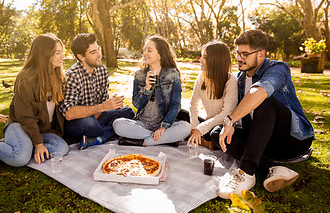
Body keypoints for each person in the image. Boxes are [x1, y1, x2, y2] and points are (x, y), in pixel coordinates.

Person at [210, 29, 314, 199]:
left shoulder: (278, 68)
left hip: (293, 140)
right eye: (238, 53)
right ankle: (271, 167)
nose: (239, 58)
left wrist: (230, 121)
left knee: (265, 99)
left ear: (261, 54)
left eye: (245, 54)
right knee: (217, 133)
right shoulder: (240, 78)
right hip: (265, 143)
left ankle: (247, 172)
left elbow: (259, 92)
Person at [0, 33, 69, 167]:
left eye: (62, 52)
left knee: (61, 149)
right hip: (20, 125)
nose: (63, 56)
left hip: (42, 130)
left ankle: (11, 148)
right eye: (58, 53)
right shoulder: (25, 78)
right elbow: (25, 116)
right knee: (20, 159)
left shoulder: (60, 77)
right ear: (44, 54)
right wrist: (39, 144)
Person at [59, 33, 134, 149]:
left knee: (128, 112)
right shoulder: (72, 76)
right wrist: (103, 107)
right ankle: (105, 134)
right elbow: (68, 114)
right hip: (77, 123)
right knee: (90, 124)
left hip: (97, 117)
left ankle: (98, 138)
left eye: (98, 49)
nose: (99, 55)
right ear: (81, 57)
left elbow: (103, 103)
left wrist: (111, 105)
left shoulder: (102, 70)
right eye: (93, 52)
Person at [112, 35, 191, 146]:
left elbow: (175, 105)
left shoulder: (172, 75)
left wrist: (164, 127)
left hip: (164, 124)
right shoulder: (140, 75)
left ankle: (145, 142)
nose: (145, 53)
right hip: (143, 124)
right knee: (118, 124)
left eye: (149, 50)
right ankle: (163, 139)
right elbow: (136, 103)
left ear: (160, 55)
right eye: (145, 50)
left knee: (186, 127)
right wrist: (147, 88)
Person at [186, 40, 238, 148]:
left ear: (216, 61)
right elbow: (193, 104)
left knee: (215, 134)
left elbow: (226, 114)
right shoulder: (201, 76)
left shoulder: (230, 80)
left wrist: (200, 129)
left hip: (222, 125)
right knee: (181, 115)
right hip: (207, 123)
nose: (200, 60)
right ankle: (203, 141)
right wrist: (194, 127)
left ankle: (205, 141)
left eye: (204, 57)